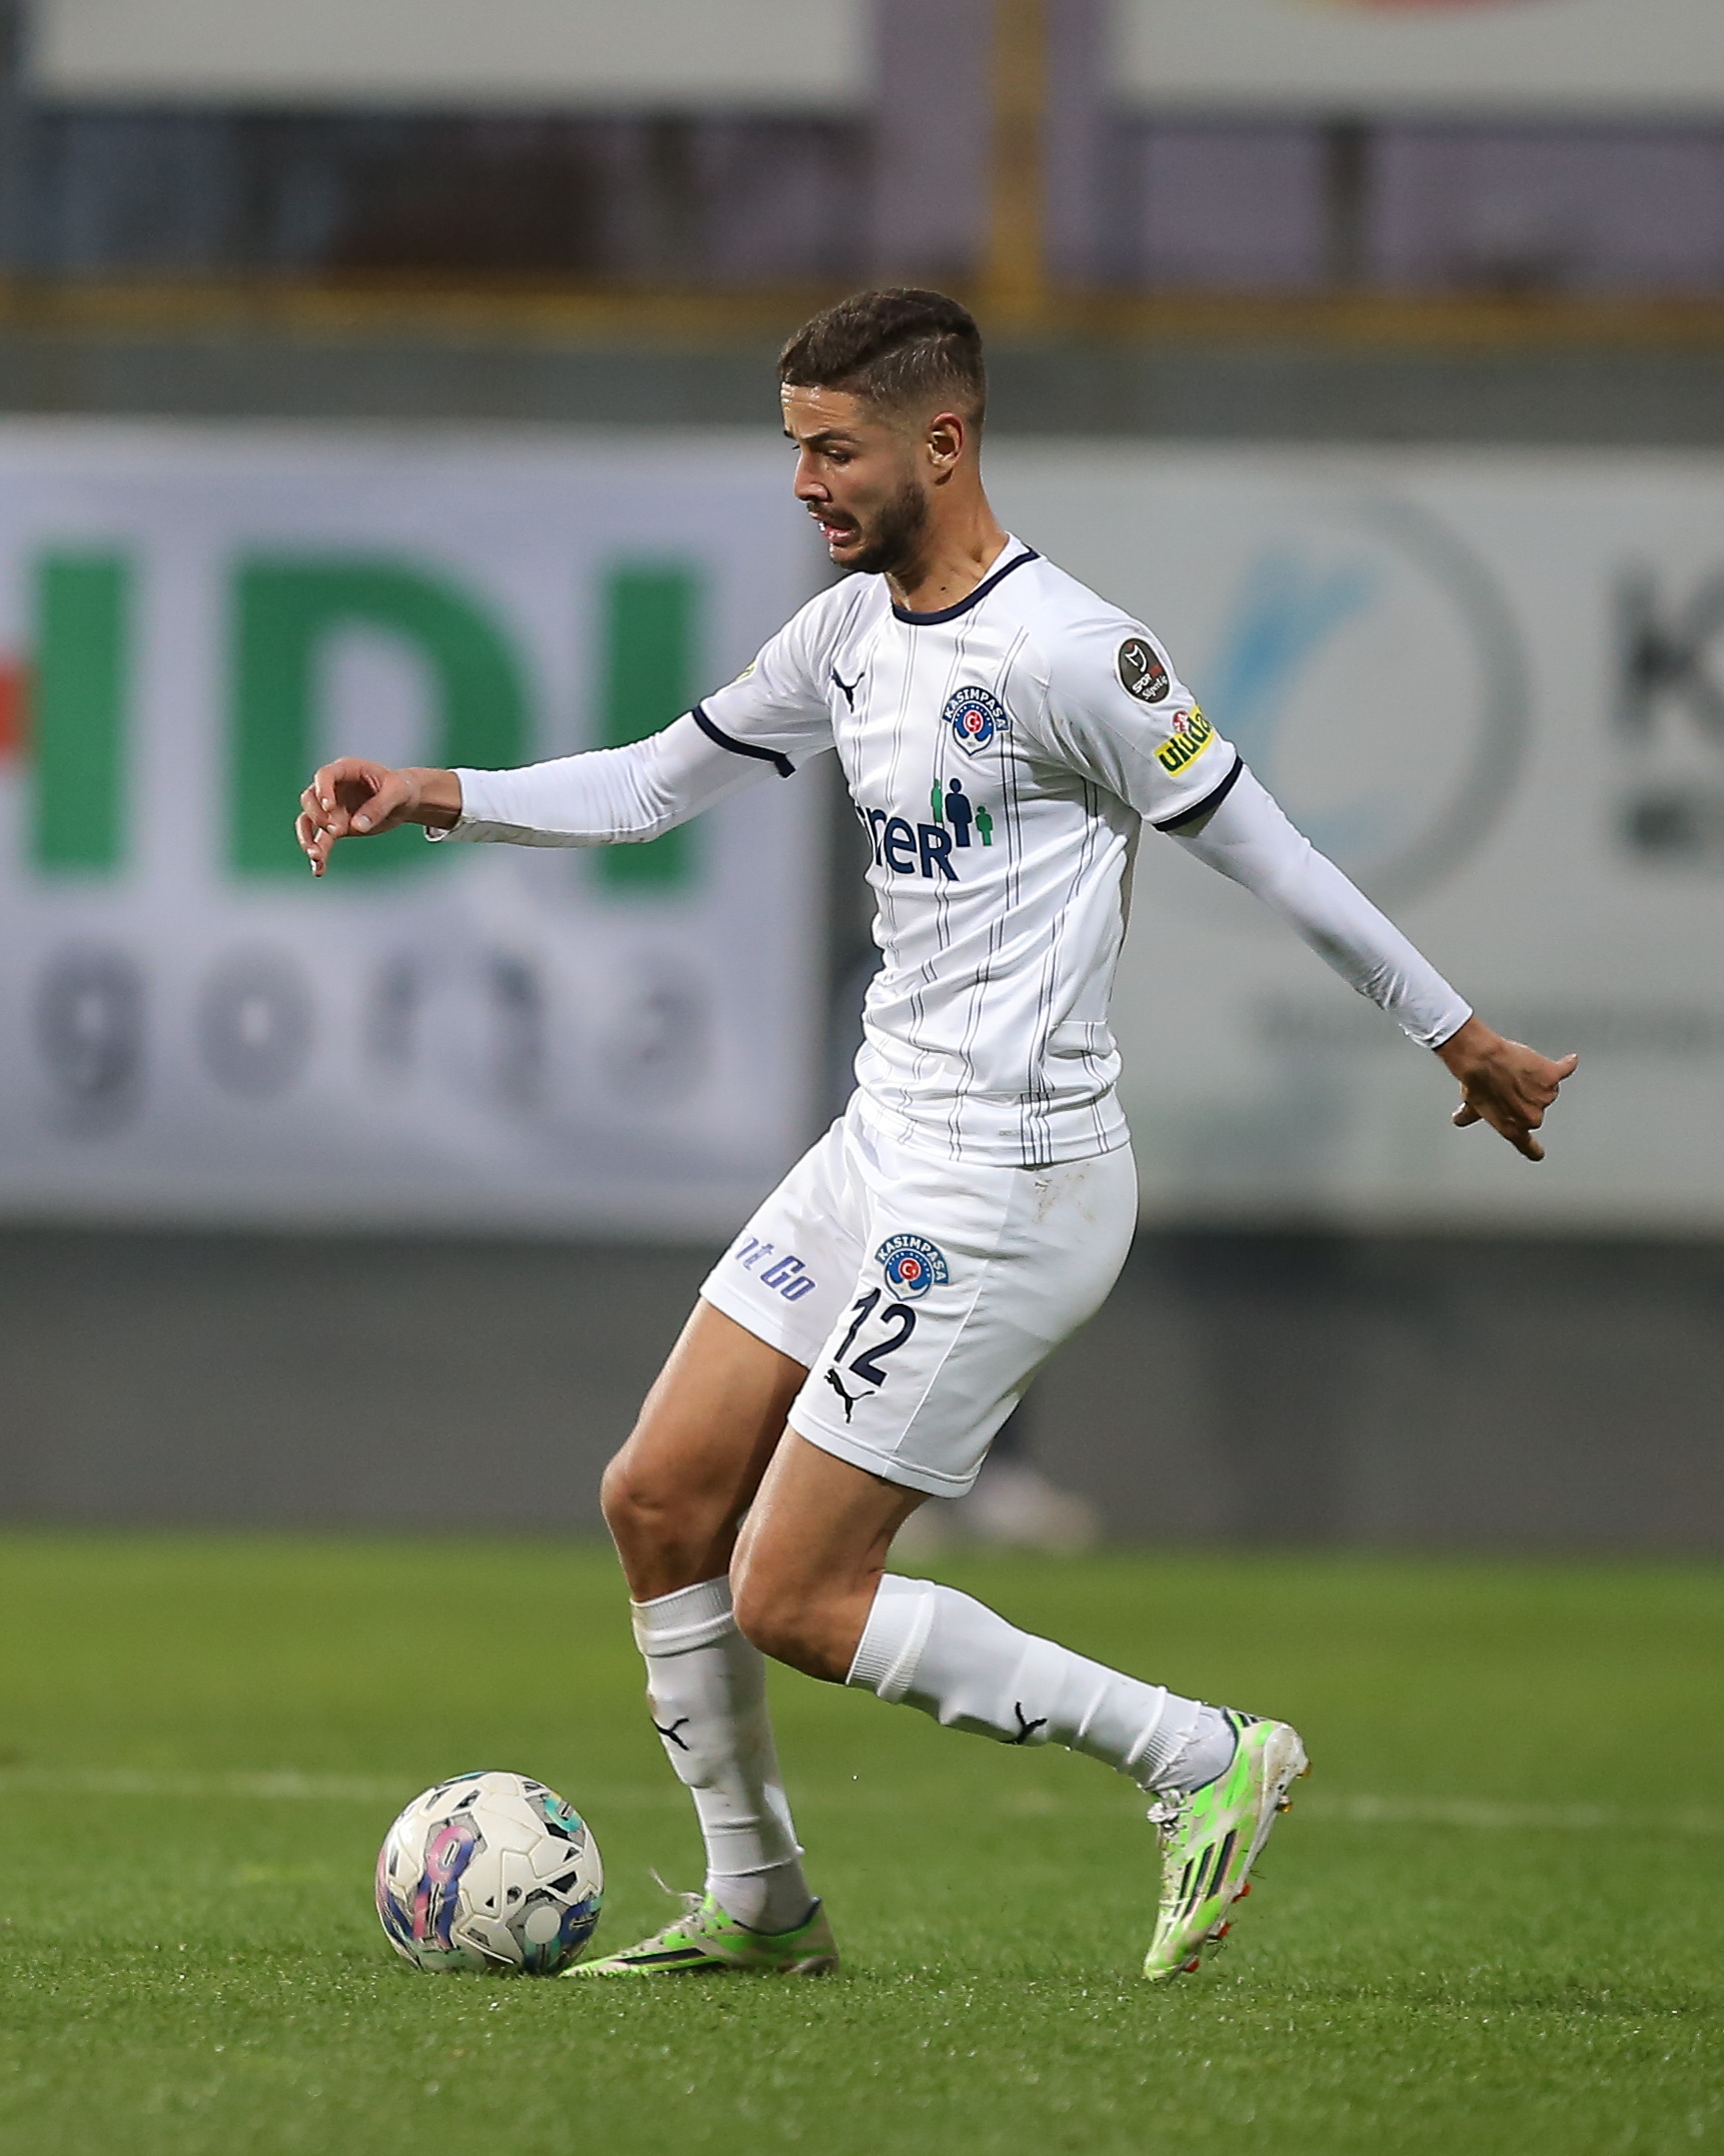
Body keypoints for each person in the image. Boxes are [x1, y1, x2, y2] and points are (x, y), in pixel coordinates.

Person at [297, 289, 1576, 1984]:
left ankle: (1198, 1753)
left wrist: (1457, 1033)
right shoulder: (844, 636)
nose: (805, 483)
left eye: (833, 450)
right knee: (659, 1498)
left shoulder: (1072, 655)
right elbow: (653, 783)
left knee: (794, 1593)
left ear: (942, 442)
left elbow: (1274, 853)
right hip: (876, 1146)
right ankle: (760, 1901)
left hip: (1011, 1183)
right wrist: (439, 790)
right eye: (794, 449)